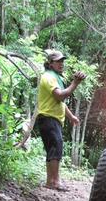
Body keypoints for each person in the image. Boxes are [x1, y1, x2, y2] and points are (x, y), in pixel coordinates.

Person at [35, 50, 86, 191]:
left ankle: (50, 181)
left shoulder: (55, 77)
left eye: (62, 61)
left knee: (52, 149)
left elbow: (60, 103)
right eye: (58, 61)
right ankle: (55, 182)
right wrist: (75, 83)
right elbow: (60, 96)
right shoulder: (49, 77)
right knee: (56, 148)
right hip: (48, 117)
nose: (61, 64)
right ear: (50, 63)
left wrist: (71, 117)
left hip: (51, 118)